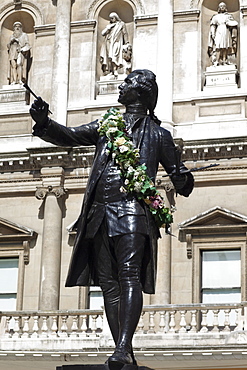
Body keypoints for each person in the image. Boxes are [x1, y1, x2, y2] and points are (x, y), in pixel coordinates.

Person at [30, 69, 194, 369]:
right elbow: (70, 135)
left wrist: (184, 177)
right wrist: (43, 123)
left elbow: (180, 181)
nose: (122, 85)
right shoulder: (107, 127)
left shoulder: (159, 135)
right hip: (100, 213)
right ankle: (124, 351)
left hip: (133, 212)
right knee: (107, 283)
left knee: (128, 275)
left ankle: (122, 348)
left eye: (128, 83)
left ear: (142, 93)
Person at [100, 12, 129, 77]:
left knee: (114, 55)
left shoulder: (121, 24)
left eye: (112, 18)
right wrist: (108, 27)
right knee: (109, 57)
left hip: (117, 42)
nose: (111, 19)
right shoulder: (109, 25)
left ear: (116, 18)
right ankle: (111, 71)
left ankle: (115, 70)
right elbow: (103, 33)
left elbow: (125, 33)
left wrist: (126, 42)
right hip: (109, 42)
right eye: (110, 18)